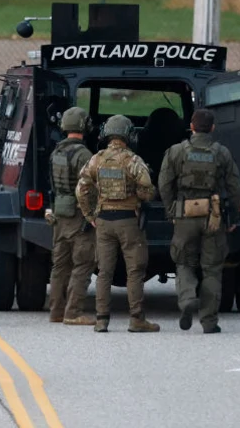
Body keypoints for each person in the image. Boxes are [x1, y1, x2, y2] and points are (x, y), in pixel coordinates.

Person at [158, 108, 240, 334]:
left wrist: (171, 210)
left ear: (191, 127)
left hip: (185, 214)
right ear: (213, 128)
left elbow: (164, 184)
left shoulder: (176, 151)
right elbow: (235, 186)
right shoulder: (221, 153)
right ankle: (209, 321)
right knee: (212, 269)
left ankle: (186, 300)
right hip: (212, 216)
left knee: (184, 262)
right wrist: (232, 216)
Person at [75, 114, 159, 333]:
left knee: (104, 271)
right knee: (135, 271)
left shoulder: (96, 159)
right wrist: (142, 196)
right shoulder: (133, 160)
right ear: (129, 135)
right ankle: (137, 319)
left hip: (103, 221)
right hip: (128, 221)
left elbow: (81, 189)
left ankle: (102, 320)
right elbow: (147, 188)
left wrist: (90, 216)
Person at [45, 107, 97, 325]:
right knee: (83, 264)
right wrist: (92, 214)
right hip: (78, 214)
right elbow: (90, 187)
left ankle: (56, 311)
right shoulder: (84, 155)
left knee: (60, 265)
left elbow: (52, 185)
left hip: (60, 213)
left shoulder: (55, 152)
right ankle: (73, 312)